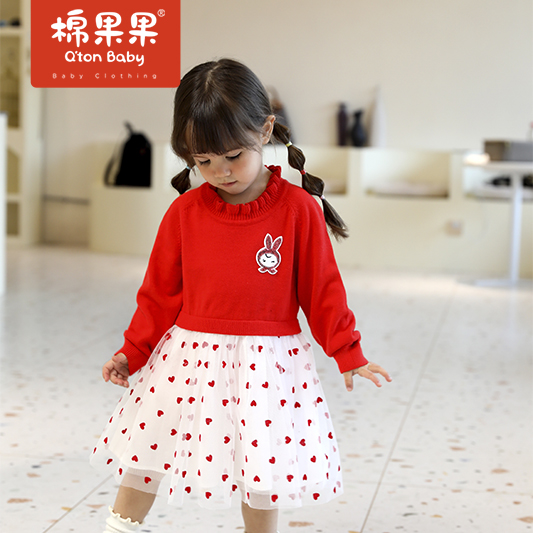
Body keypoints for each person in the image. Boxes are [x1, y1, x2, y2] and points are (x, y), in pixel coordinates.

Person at [90, 58, 391, 533]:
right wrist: (133, 351)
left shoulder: (298, 210)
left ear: (265, 130)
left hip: (267, 365)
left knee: (260, 466)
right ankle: (119, 527)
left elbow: (322, 289)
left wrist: (347, 352)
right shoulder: (184, 213)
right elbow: (158, 295)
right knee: (148, 449)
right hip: (189, 360)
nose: (220, 172)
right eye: (204, 161)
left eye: (233, 156)